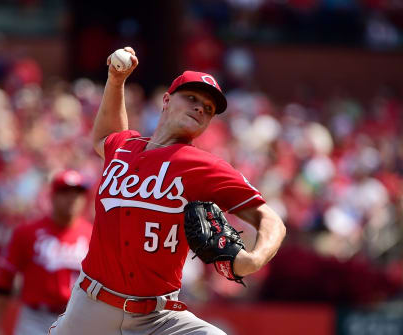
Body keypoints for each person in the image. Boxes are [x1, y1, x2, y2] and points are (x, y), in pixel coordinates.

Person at [49, 47, 286, 335]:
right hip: (91, 307)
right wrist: (115, 80)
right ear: (166, 100)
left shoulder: (204, 166)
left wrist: (254, 259)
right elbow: (103, 136)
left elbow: (270, 219)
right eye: (192, 98)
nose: (200, 107)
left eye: (208, 108)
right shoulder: (124, 148)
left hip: (157, 318)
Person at [0, 169, 93, 335]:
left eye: (78, 193)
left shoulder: (93, 235)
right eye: (65, 192)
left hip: (77, 317)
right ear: (53, 196)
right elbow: (4, 280)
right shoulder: (27, 233)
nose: (72, 198)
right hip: (36, 317)